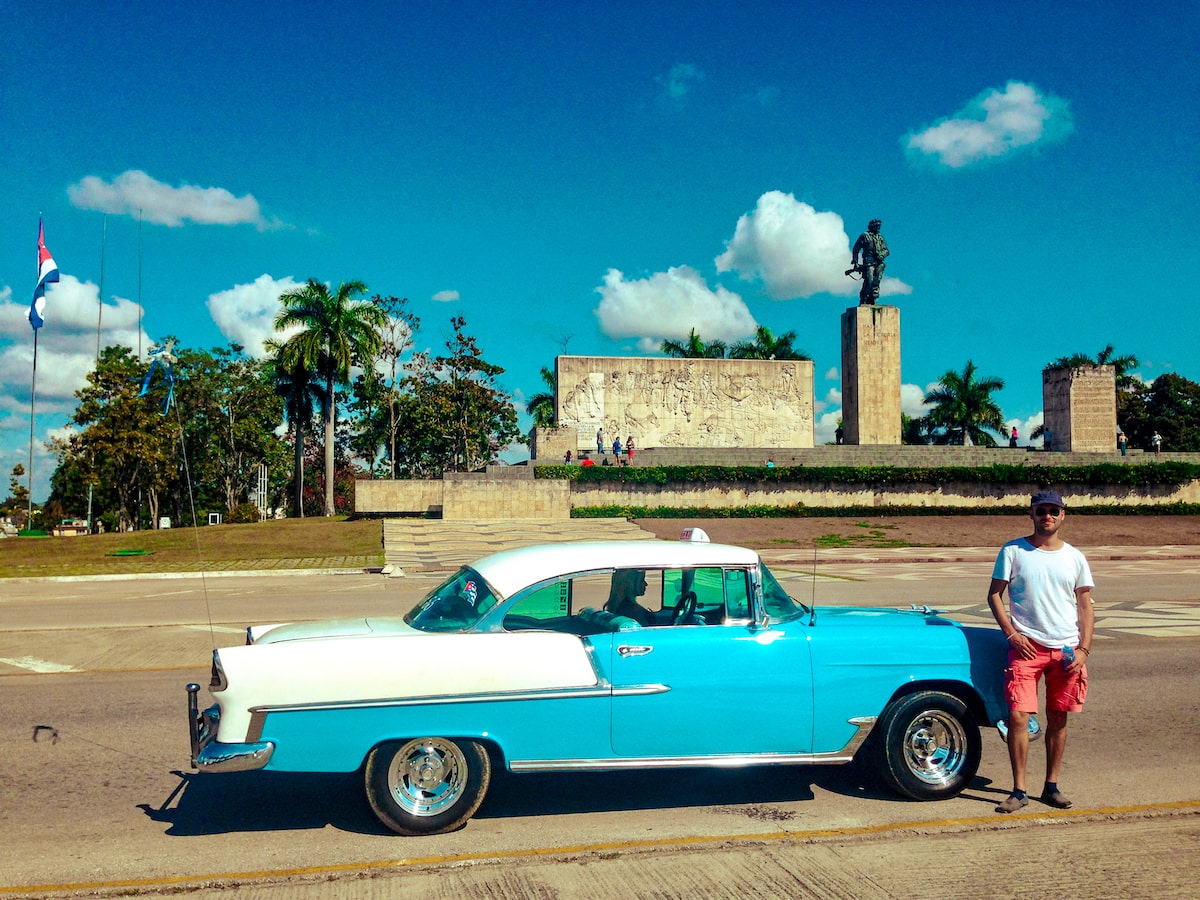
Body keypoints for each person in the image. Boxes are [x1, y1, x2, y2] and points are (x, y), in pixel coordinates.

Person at [987, 489, 1094, 814]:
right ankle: (1019, 789)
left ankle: (1051, 786)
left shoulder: (1074, 557)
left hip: (1065, 650)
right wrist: (1012, 633)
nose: (1047, 516)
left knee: (1058, 718)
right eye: (1041, 511)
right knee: (1018, 717)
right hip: (1026, 648)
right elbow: (994, 595)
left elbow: (1085, 605)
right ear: (1031, 515)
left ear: (1063, 516)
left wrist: (1084, 649)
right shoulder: (1014, 550)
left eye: (1053, 511)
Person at [850, 218, 889, 305]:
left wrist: (881, 255)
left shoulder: (880, 237)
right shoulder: (864, 235)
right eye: (877, 225)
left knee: (877, 281)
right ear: (872, 226)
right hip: (869, 262)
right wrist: (855, 261)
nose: (878, 227)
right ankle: (864, 298)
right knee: (869, 280)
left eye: (879, 226)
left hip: (879, 263)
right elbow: (856, 249)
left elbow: (886, 250)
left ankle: (874, 299)